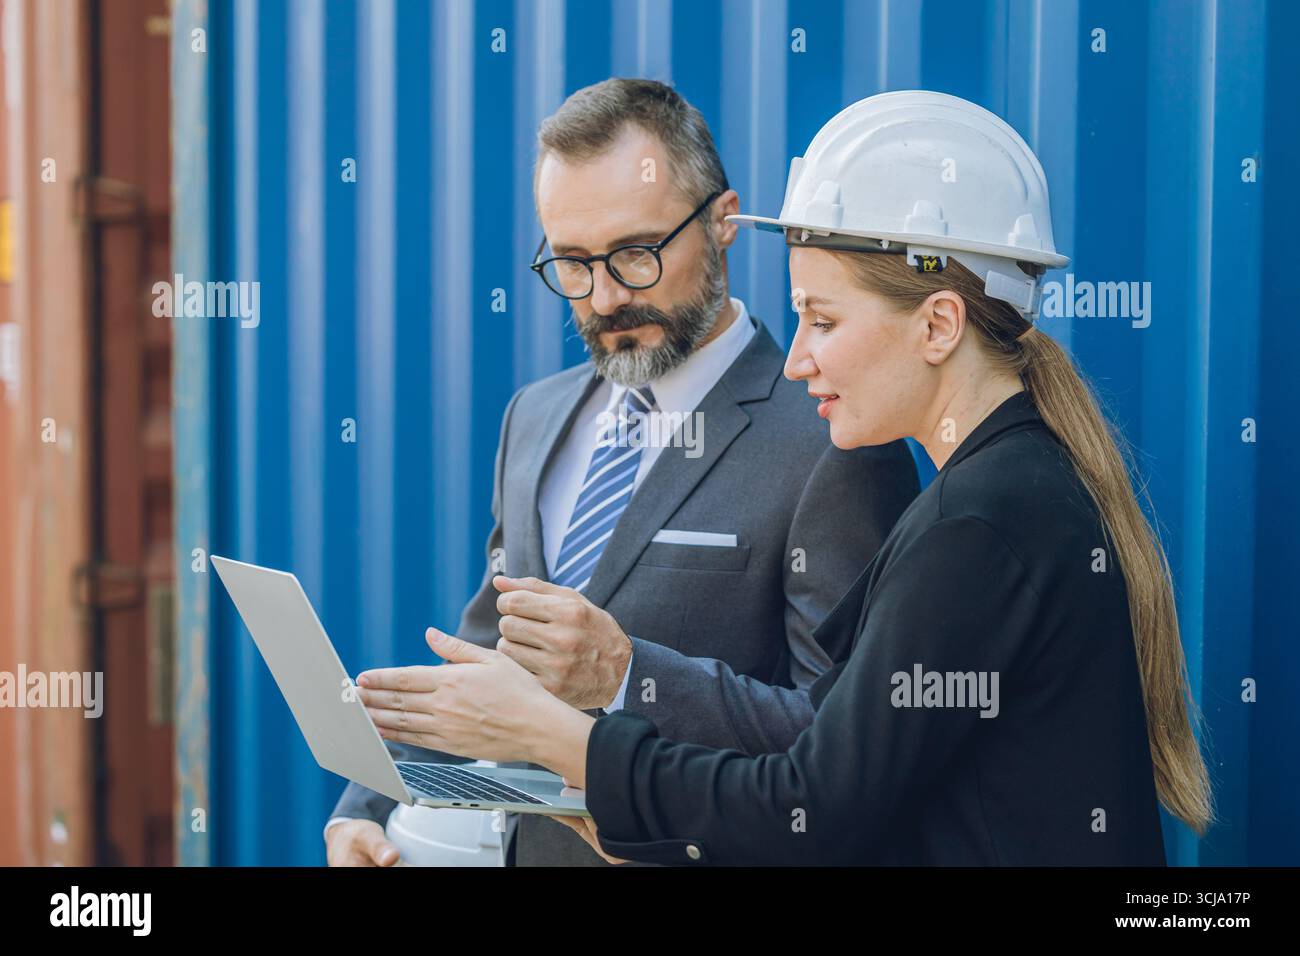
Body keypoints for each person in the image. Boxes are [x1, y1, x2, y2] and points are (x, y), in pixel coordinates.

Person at [355, 90, 1213, 865]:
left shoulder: (976, 520)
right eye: (574, 264)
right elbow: (852, 778)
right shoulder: (999, 494)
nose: (800, 356)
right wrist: (374, 792)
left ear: (940, 324)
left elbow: (818, 799)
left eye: (824, 319)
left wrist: (584, 743)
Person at [326, 78, 919, 866]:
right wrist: (371, 803)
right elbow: (493, 649)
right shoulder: (533, 419)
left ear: (723, 222)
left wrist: (624, 675)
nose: (604, 298)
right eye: (572, 263)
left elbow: (837, 738)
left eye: (635, 255)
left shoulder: (834, 437)